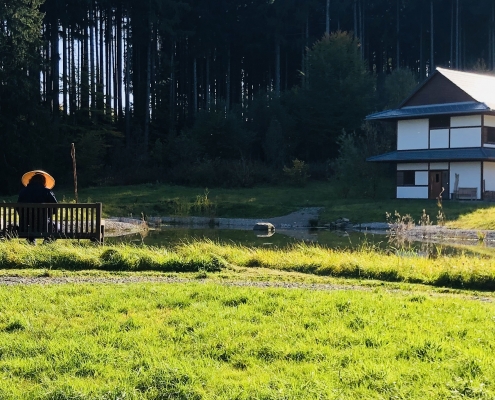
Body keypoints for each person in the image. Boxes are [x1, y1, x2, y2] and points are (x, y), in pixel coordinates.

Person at [17, 170, 58, 244]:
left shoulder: (23, 192)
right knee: (55, 227)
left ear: (31, 180)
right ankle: (47, 242)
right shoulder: (47, 192)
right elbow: (55, 208)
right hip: (43, 225)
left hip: (26, 226)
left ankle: (31, 241)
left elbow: (18, 209)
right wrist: (47, 215)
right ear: (43, 181)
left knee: (30, 222)